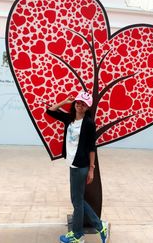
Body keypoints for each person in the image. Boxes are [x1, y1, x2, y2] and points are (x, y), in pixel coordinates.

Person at [46, 91, 109, 243]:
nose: (80, 105)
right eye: (78, 102)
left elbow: (91, 147)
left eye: (83, 104)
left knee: (77, 201)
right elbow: (50, 111)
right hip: (71, 163)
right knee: (78, 200)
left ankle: (79, 234)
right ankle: (97, 227)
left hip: (81, 166)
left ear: (87, 108)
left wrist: (92, 169)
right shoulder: (69, 119)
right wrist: (64, 102)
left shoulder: (88, 123)